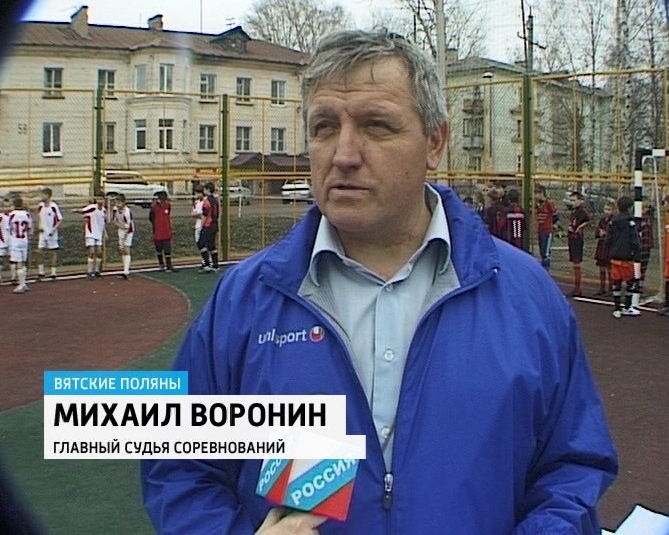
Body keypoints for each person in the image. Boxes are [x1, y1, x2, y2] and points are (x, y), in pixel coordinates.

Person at [141, 29, 617, 535]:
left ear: (435, 142)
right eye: (325, 127)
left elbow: (571, 467)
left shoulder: (526, 295)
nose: (344, 154)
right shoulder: (244, 300)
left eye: (376, 125)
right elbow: (179, 469)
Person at [606, 196, 640, 318]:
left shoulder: (612, 221)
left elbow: (608, 239)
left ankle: (617, 308)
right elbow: (634, 239)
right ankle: (627, 306)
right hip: (627, 256)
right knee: (630, 282)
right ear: (629, 208)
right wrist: (636, 251)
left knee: (617, 281)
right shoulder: (630, 222)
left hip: (615, 256)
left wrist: (611, 250)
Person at [74, 195, 107, 279]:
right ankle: (89, 271)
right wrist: (75, 210)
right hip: (91, 232)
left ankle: (97, 271)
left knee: (99, 252)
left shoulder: (104, 210)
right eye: (98, 199)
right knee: (92, 251)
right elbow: (83, 211)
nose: (100, 201)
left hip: (99, 234)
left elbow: (103, 223)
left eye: (101, 199)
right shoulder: (92, 207)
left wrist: (105, 232)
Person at [35, 187, 62, 281]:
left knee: (52, 252)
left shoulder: (53, 206)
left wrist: (53, 230)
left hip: (51, 233)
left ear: (47, 195)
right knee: (39, 252)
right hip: (43, 233)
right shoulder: (40, 206)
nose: (41, 196)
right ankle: (41, 272)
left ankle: (53, 273)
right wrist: (40, 226)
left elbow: (59, 219)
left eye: (43, 194)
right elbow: (39, 217)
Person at [567, 191, 591, 297]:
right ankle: (576, 288)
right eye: (571, 200)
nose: (572, 202)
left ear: (580, 201)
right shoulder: (573, 211)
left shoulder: (581, 211)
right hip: (572, 238)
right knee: (574, 263)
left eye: (574, 200)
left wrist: (579, 228)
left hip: (577, 239)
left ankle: (577, 288)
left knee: (576, 263)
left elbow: (588, 220)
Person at [8, 196, 31, 294]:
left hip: (15, 241)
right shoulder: (27, 214)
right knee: (23, 262)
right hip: (24, 240)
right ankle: (24, 283)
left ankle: (21, 285)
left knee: (18, 263)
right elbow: (29, 227)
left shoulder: (12, 214)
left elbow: (8, 227)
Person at [149, 191, 177, 272]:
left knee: (167, 249)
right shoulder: (154, 207)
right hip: (158, 231)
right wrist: (155, 225)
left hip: (166, 231)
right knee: (159, 249)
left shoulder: (168, 206)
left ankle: (169, 265)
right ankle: (161, 264)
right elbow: (151, 217)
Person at [534, 185, 558, 272]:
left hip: (547, 231)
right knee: (541, 251)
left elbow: (555, 216)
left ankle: (546, 271)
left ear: (542, 193)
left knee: (546, 253)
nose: (535, 196)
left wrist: (552, 225)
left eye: (537, 193)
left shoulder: (548, 203)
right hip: (540, 230)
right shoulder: (538, 204)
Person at [197, 181, 220, 272]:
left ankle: (207, 264)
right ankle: (215, 264)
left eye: (205, 189)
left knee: (201, 243)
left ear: (208, 190)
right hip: (214, 225)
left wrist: (201, 226)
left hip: (208, 225)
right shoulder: (215, 201)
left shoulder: (206, 201)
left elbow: (205, 215)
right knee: (211, 245)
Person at [594, 201, 614, 296]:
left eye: (609, 209)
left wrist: (606, 233)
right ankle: (602, 288)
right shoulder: (602, 220)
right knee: (601, 267)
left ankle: (611, 288)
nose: (606, 211)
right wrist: (599, 232)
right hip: (601, 244)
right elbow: (597, 230)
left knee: (609, 267)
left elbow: (614, 233)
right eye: (605, 209)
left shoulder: (614, 220)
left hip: (609, 246)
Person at [112, 194, 134, 279]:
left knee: (126, 249)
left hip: (128, 231)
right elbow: (114, 220)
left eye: (119, 203)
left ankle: (126, 271)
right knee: (121, 249)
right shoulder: (115, 209)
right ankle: (125, 268)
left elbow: (129, 227)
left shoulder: (127, 212)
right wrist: (119, 226)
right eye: (116, 202)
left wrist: (124, 238)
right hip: (121, 229)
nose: (117, 205)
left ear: (124, 202)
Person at [660, 195, 669, 317]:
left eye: (665, 203)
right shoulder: (667, 217)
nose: (664, 206)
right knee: (668, 280)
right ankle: (667, 304)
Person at [639, 200, 654, 289]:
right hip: (640, 244)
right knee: (639, 263)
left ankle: (641, 282)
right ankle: (637, 281)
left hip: (646, 244)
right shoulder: (638, 218)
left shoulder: (648, 217)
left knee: (644, 263)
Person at [191, 184, 206, 265]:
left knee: (203, 243)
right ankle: (204, 260)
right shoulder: (196, 202)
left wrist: (201, 215)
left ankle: (206, 261)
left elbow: (205, 214)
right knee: (198, 243)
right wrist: (198, 215)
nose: (197, 195)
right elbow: (193, 213)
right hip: (198, 225)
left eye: (198, 193)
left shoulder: (205, 202)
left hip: (204, 225)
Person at [0, 199, 11, 285]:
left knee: (14, 260)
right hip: (2, 242)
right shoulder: (1, 217)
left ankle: (14, 277)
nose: (7, 208)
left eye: (9, 206)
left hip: (12, 242)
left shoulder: (13, 216)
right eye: (5, 206)